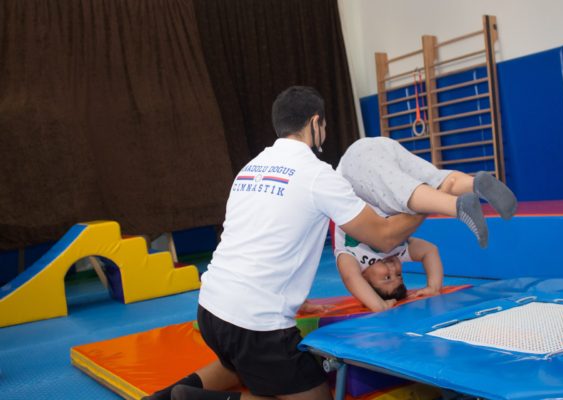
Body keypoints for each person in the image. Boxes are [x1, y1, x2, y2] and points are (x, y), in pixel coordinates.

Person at [144, 86, 427, 400]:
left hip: (211, 308)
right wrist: (426, 201)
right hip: (254, 324)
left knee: (235, 366)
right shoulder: (317, 174)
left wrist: (297, 300)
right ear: (315, 123)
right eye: (324, 124)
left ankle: (159, 399)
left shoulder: (251, 167)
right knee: (317, 399)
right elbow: (384, 236)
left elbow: (259, 240)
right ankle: (194, 398)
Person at [336, 136, 518, 248]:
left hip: (353, 165)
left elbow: (388, 237)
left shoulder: (353, 245)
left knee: (402, 191)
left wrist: (440, 203)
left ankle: (458, 206)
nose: (393, 272)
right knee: (435, 179)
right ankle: (475, 183)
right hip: (378, 145)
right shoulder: (398, 252)